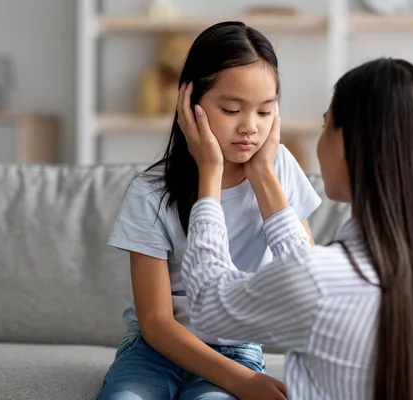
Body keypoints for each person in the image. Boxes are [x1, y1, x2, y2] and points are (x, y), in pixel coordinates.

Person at [180, 58, 413, 399]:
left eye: (325, 127)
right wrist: (263, 174)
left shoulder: (320, 279)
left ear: (349, 145)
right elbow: (305, 277)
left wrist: (209, 175)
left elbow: (208, 305)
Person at [98, 21, 322, 400]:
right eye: (232, 109)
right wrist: (210, 173)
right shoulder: (150, 192)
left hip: (236, 347)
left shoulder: (280, 169)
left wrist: (264, 175)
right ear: (190, 103)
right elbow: (154, 321)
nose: (250, 127)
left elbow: (307, 278)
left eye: (265, 112)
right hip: (155, 350)